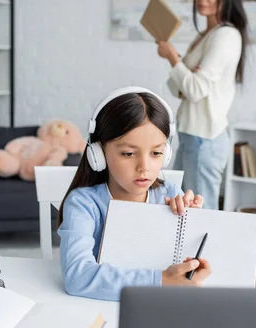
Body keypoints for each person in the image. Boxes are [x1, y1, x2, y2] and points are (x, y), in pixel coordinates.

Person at [57, 86, 212, 301]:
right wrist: (161, 281)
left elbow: (190, 273)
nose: (144, 167)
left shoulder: (170, 195)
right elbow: (77, 277)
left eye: (156, 153)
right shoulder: (83, 204)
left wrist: (194, 226)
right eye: (129, 153)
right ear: (98, 153)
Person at [157, 0, 248, 210]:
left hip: (205, 138)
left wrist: (172, 57)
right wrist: (180, 65)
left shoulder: (226, 36)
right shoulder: (207, 35)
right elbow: (177, 88)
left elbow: (194, 90)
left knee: (201, 215)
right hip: (192, 135)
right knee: (176, 209)